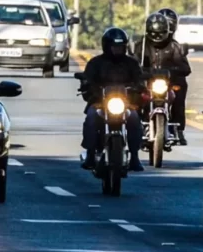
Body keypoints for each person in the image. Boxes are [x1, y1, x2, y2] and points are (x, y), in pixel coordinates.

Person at [80, 27, 145, 172]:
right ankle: (90, 154)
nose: (117, 49)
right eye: (114, 46)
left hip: (125, 103)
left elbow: (140, 80)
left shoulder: (132, 63)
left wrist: (139, 88)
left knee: (134, 119)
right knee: (91, 117)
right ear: (106, 46)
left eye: (120, 46)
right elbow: (87, 80)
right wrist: (88, 86)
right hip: (100, 103)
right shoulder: (96, 63)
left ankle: (135, 156)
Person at [132, 12, 192, 145]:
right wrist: (140, 71)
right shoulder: (141, 45)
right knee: (133, 96)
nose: (157, 36)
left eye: (161, 33)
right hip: (147, 82)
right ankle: (134, 128)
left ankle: (178, 129)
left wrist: (173, 71)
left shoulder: (174, 46)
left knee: (179, 95)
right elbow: (133, 63)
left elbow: (185, 68)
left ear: (167, 31)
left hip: (167, 83)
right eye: (154, 33)